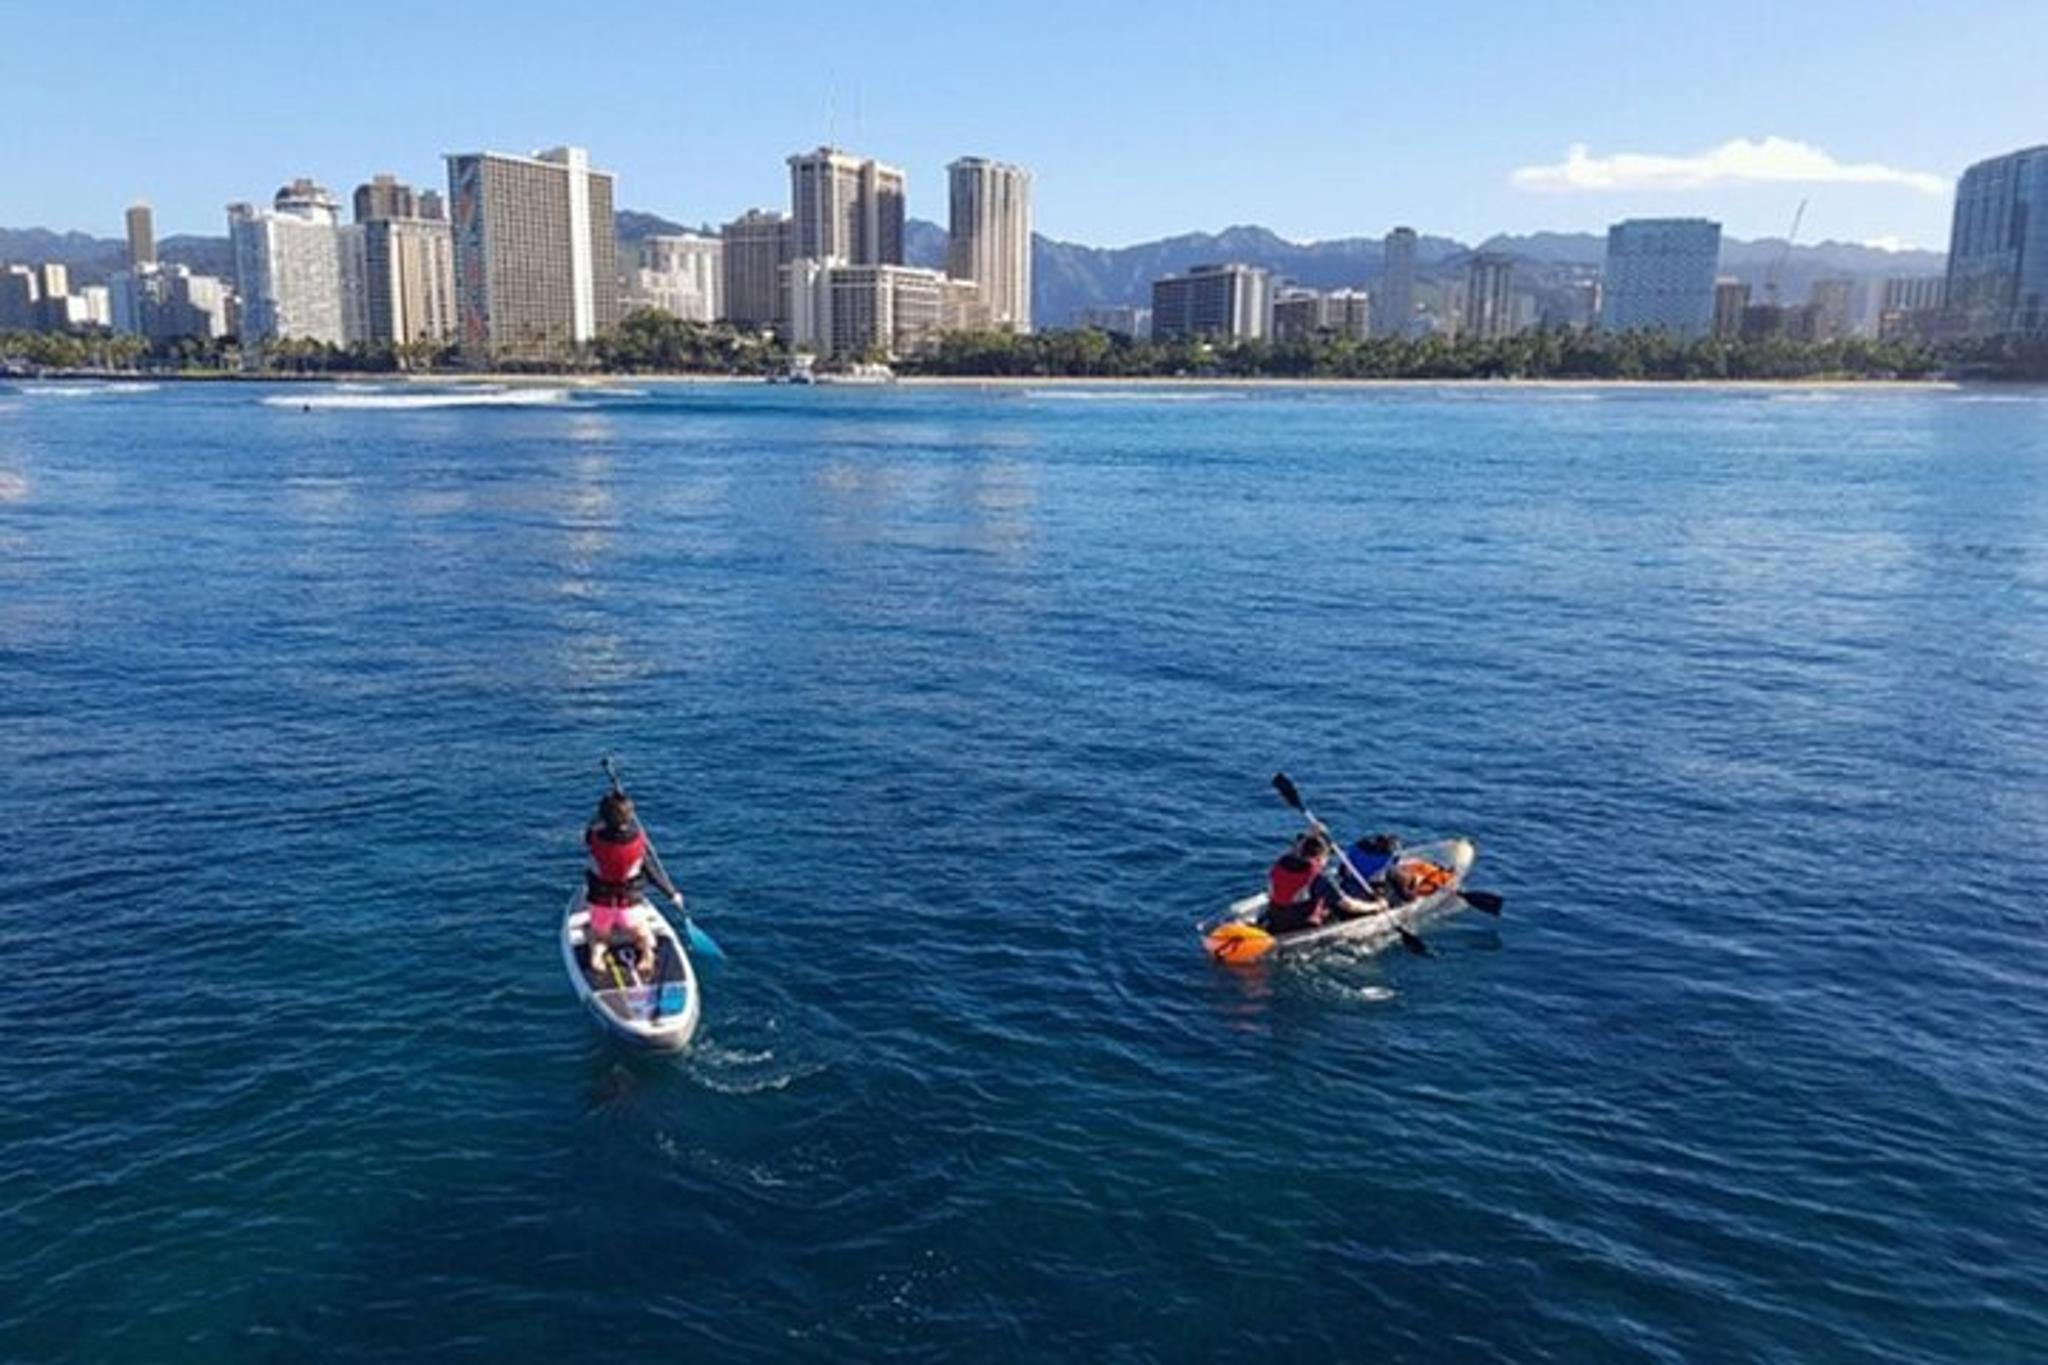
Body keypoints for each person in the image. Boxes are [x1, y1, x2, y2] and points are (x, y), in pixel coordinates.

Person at [583, 790, 677, 981]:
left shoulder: (594, 838)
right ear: (630, 816)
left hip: (601, 903)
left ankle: (597, 955)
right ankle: (647, 956)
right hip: (629, 906)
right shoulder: (639, 841)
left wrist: (603, 814)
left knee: (598, 936)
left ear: (603, 817)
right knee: (643, 935)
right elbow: (650, 871)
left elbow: (591, 829)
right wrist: (672, 893)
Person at [1263, 828, 1380, 934]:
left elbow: (1298, 847)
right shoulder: (1319, 878)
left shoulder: (1282, 862)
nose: (1327, 861)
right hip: (1301, 925)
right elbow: (1349, 905)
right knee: (1338, 909)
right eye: (1327, 857)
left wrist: (1313, 833)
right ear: (1320, 857)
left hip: (1274, 916)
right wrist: (1375, 906)